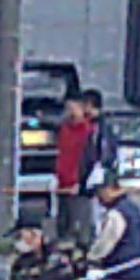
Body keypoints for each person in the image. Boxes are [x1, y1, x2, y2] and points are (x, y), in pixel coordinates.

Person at [54, 93, 96, 244]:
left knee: (78, 223)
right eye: (68, 108)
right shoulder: (64, 129)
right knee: (63, 222)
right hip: (62, 183)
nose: (70, 112)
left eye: (74, 108)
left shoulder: (88, 130)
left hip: (78, 185)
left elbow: (88, 158)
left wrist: (81, 180)